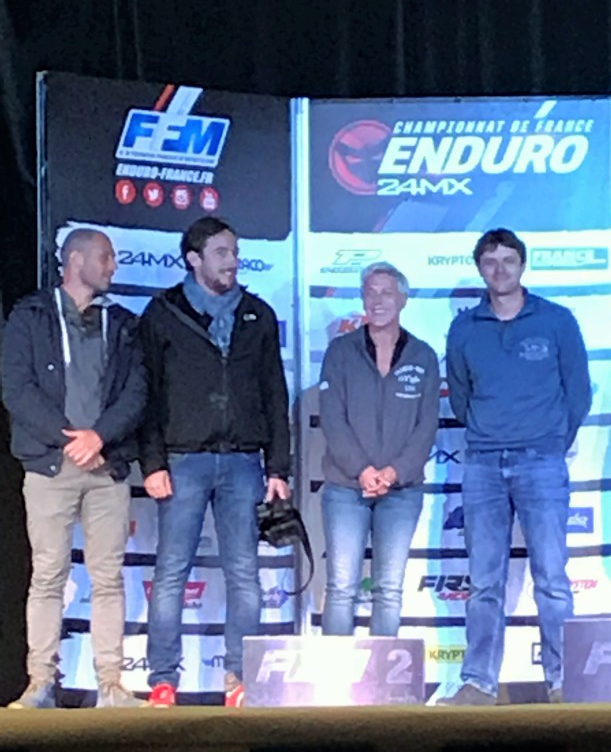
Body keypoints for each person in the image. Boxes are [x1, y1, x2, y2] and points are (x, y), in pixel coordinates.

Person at [139, 216, 291, 708]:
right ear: (194, 259)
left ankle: (239, 680)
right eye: (222, 252)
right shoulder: (162, 313)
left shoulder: (258, 314)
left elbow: (275, 394)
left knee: (245, 574)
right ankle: (163, 681)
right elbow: (147, 393)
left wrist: (279, 467)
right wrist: (152, 462)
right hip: (182, 460)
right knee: (171, 573)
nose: (233, 261)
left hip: (244, 463)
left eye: (235, 252)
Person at [438, 227, 591, 706]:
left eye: (508, 260)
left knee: (552, 579)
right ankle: (479, 683)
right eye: (490, 262)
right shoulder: (465, 328)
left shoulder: (556, 320)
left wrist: (548, 442)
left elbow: (578, 393)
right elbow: (460, 397)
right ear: (479, 269)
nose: (499, 269)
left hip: (541, 462)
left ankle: (563, 683)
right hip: (483, 464)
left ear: (522, 265)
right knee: (484, 582)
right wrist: (493, 434)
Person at [1, 228, 147, 708]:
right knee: (48, 576)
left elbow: (137, 392)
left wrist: (98, 437)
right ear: (76, 260)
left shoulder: (122, 323)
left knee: (108, 578)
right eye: (105, 257)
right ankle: (41, 683)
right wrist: (71, 441)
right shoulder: (30, 316)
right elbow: (16, 389)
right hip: (50, 465)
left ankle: (111, 685)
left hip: (106, 467)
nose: (113, 266)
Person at [319, 261, 439, 636]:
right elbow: (332, 418)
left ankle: (383, 675)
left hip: (402, 490)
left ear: (403, 299)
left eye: (387, 292)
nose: (378, 300)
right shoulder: (340, 351)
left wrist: (393, 473)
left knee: (388, 591)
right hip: (346, 487)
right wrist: (363, 471)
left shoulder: (423, 355)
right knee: (341, 589)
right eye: (371, 292)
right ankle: (335, 673)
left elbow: (426, 426)